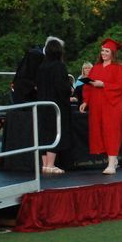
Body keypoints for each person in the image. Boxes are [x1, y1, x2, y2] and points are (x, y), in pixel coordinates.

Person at [80, 38, 122, 174]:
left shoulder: (119, 68)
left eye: (107, 51)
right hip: (97, 106)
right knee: (100, 132)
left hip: (112, 105)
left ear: (113, 53)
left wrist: (104, 85)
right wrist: (85, 101)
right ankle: (113, 160)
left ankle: (111, 164)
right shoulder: (95, 68)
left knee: (111, 132)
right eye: (102, 51)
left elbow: (121, 87)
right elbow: (88, 86)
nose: (103, 53)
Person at [35, 38, 71, 174]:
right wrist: (69, 91)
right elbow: (62, 87)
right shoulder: (59, 66)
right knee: (55, 132)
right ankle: (51, 164)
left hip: (43, 103)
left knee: (44, 133)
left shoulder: (41, 67)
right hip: (56, 104)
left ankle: (44, 164)